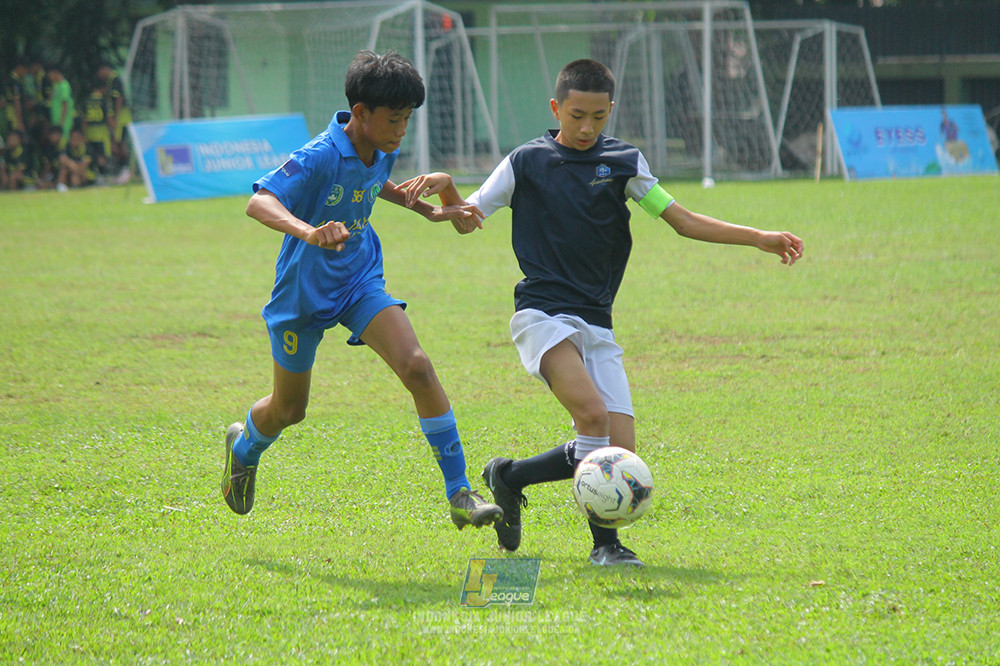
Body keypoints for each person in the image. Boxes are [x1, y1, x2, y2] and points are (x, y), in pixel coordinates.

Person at [402, 59, 803, 566]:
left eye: (598, 116)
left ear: (610, 110)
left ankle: (510, 475)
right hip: (543, 314)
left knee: (621, 452)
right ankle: (606, 547)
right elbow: (466, 220)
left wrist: (758, 237)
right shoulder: (525, 161)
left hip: (597, 318)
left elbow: (680, 220)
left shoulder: (624, 163)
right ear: (556, 109)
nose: (587, 127)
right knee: (592, 419)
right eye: (576, 115)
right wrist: (447, 187)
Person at [221, 51, 503, 533]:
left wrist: (426, 210)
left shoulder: (380, 144)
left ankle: (459, 492)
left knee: (417, 366)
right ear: (359, 114)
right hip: (302, 294)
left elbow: (372, 180)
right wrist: (308, 231)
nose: (401, 131)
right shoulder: (318, 156)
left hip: (358, 280)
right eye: (394, 120)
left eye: (407, 120)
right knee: (290, 410)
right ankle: (242, 448)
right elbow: (258, 200)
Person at [47, 65, 74, 150]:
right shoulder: (55, 85)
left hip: (63, 122)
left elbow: (65, 105)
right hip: (56, 121)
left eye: (50, 74)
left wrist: (62, 123)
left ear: (55, 72)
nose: (49, 77)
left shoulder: (64, 85)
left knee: (64, 143)